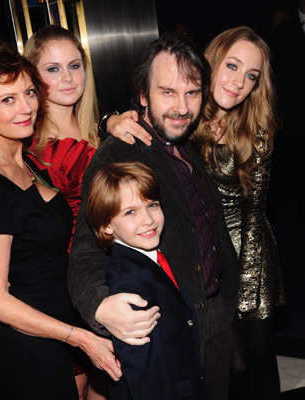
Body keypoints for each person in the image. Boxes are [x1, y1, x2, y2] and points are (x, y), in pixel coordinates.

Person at [107, 26, 285, 400]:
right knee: (222, 367)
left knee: (257, 363)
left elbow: (254, 215)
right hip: (196, 260)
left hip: (249, 259)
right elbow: (142, 123)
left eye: (251, 76)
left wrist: (245, 289)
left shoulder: (255, 128)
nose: (239, 82)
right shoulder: (183, 116)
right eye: (232, 66)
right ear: (210, 65)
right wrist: (109, 120)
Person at [0, 40, 121, 400]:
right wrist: (79, 338)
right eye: (7, 100)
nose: (25, 108)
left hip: (58, 334)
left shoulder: (20, 160)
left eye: (28, 93)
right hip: (30, 353)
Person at [68, 32, 239, 400]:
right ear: (143, 96)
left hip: (214, 316)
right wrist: (98, 306)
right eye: (168, 92)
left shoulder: (185, 143)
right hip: (172, 332)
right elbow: (84, 252)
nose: (182, 106)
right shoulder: (122, 152)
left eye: (192, 93)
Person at [23, 25, 105, 399]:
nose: (68, 77)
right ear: (31, 77)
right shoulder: (44, 149)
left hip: (108, 273)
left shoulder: (94, 130)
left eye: (74, 65)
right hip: (72, 284)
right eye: (52, 69)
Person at [85, 161, 207, 400]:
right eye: (130, 212)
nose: (148, 219)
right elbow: (146, 376)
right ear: (107, 226)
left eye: (152, 205)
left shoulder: (153, 259)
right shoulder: (130, 287)